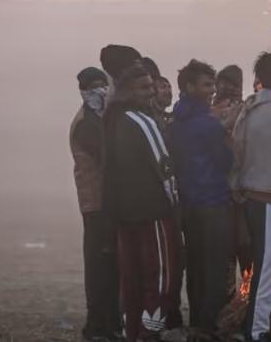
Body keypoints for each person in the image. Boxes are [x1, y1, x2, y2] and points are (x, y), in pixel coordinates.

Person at [102, 63, 180, 342]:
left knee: (131, 279)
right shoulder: (142, 121)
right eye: (145, 88)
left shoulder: (111, 120)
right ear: (127, 92)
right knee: (160, 278)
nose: (151, 93)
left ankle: (132, 332)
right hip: (153, 214)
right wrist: (173, 209)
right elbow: (165, 168)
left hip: (123, 215)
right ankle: (150, 333)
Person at [230, 52, 271, 342]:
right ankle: (257, 331)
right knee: (270, 266)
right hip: (268, 198)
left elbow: (238, 149)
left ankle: (255, 324)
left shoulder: (251, 107)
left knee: (270, 263)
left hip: (253, 195)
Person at [169, 60, 234, 340]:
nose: (212, 90)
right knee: (215, 267)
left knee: (196, 264)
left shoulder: (175, 120)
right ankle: (210, 325)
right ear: (189, 86)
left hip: (189, 203)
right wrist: (228, 133)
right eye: (207, 85)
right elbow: (225, 161)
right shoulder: (208, 125)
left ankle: (197, 321)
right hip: (213, 201)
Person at [69, 67, 121, 341]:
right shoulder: (87, 124)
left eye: (103, 84)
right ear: (84, 92)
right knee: (100, 266)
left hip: (104, 204)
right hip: (96, 206)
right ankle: (97, 324)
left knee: (110, 265)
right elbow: (106, 157)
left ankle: (109, 322)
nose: (100, 90)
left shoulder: (98, 118)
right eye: (94, 87)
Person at [213, 65, 253, 278]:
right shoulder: (208, 113)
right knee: (225, 252)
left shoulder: (248, 111)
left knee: (247, 248)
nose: (230, 88)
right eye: (226, 82)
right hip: (220, 194)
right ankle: (227, 303)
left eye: (235, 84)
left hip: (245, 193)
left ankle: (248, 302)